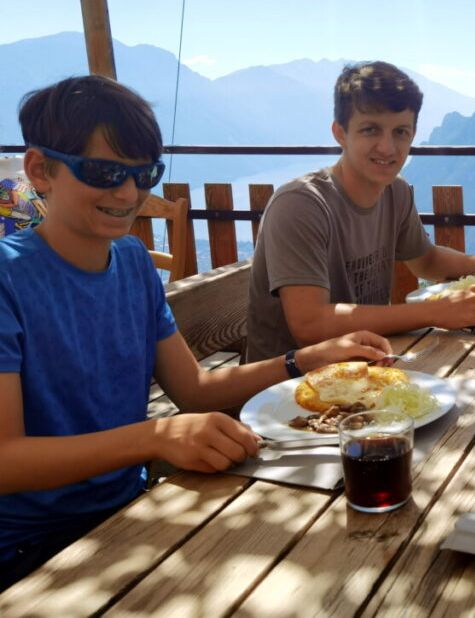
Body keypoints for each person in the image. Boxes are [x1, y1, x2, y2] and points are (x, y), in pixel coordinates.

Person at [0, 76, 393, 591]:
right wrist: (155, 436)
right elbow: (7, 459)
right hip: (33, 549)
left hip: (132, 513)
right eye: (103, 171)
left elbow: (195, 391)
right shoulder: (9, 280)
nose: (128, 193)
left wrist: (307, 360)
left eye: (145, 174)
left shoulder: (133, 262)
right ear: (39, 170)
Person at [247, 61, 475, 361]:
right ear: (340, 133)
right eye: (371, 130)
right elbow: (309, 326)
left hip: (363, 368)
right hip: (282, 392)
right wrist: (433, 312)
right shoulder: (301, 204)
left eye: (400, 132)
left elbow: (425, 260)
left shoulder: (395, 191)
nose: (387, 148)